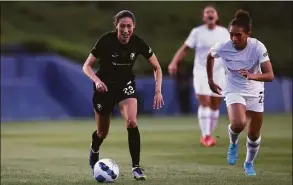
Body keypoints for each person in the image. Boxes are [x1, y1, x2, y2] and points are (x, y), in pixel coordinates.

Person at [82, 10, 164, 181]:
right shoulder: (106, 40)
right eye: (122, 26)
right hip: (103, 88)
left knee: (132, 121)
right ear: (116, 26)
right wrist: (96, 81)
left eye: (129, 26)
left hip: (125, 86)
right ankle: (95, 148)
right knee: (102, 132)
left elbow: (157, 67)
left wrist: (158, 90)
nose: (125, 30)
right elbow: (87, 66)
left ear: (133, 26)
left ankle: (136, 167)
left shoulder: (138, 43)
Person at [206, 10, 274, 176]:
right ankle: (233, 143)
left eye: (238, 35)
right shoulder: (223, 46)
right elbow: (210, 56)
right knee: (238, 124)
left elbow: (270, 75)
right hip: (233, 89)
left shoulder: (258, 47)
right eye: (231, 35)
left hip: (255, 91)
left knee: (253, 134)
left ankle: (249, 164)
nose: (234, 39)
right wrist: (210, 81)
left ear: (247, 34)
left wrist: (252, 76)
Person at [168, 5, 230, 147]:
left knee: (215, 105)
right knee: (204, 101)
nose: (209, 14)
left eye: (212, 12)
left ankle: (209, 133)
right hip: (201, 71)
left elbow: (231, 50)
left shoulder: (224, 32)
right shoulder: (197, 32)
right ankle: (206, 136)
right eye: (207, 12)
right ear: (203, 17)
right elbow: (185, 48)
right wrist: (174, 62)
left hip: (218, 71)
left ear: (216, 16)